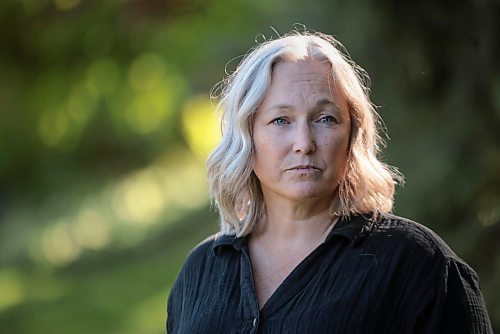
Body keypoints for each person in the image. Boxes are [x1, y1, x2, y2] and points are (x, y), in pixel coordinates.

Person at [166, 31, 493, 333]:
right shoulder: (201, 271)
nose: (304, 143)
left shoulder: (418, 265)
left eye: (325, 119)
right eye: (281, 120)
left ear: (353, 134)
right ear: (247, 136)